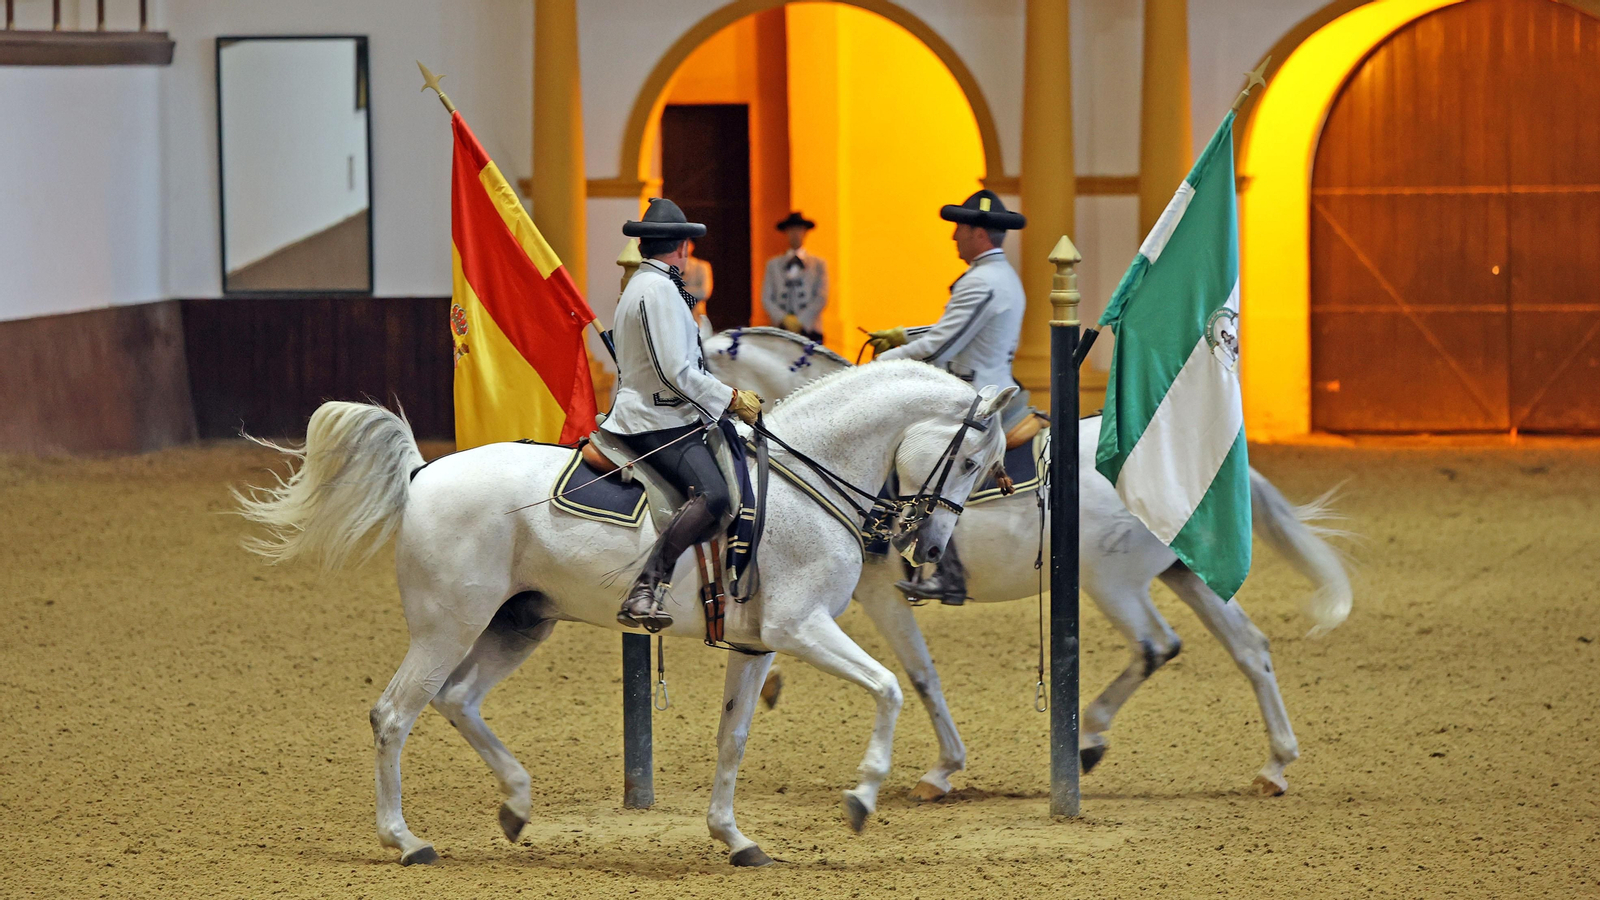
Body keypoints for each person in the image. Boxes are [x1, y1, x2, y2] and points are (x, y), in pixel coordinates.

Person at [603, 198, 763, 632]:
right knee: (714, 496)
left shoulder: (653, 285)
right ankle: (647, 586)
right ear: (682, 248)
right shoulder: (657, 291)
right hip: (655, 419)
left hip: (664, 410)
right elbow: (675, 372)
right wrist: (730, 398)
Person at [866, 189, 1028, 606]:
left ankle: (944, 572)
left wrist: (874, 371)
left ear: (978, 232)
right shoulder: (997, 276)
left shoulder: (981, 281)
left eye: (960, 228)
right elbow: (951, 330)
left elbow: (941, 346)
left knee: (918, 461)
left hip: (972, 397)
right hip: (984, 384)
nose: (954, 236)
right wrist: (904, 335)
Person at [761, 211, 828, 341]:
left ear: (805, 232)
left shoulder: (819, 264)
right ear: (786, 233)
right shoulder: (773, 264)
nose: (795, 234)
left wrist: (801, 320)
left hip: (810, 330)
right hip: (780, 330)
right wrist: (783, 318)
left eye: (799, 230)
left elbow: (822, 297)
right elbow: (766, 298)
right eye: (791, 230)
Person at [681, 239, 714, 334]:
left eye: (686, 245)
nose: (683, 248)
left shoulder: (702, 266)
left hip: (697, 317)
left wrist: (677, 291)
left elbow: (704, 292)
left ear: (692, 246)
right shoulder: (668, 268)